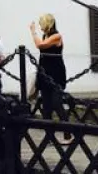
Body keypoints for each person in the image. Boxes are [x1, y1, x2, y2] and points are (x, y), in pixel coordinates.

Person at [30, 14, 71, 142]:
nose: (40, 27)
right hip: (45, 74)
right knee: (46, 106)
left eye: (41, 24)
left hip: (56, 74)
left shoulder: (56, 36)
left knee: (57, 103)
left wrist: (33, 32)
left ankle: (68, 134)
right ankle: (49, 136)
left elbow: (41, 46)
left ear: (48, 24)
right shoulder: (45, 36)